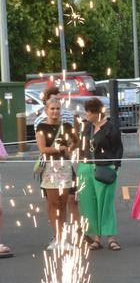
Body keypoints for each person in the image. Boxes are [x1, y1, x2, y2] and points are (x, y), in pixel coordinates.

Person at [76, 98, 124, 251]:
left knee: (105, 203)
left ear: (97, 113)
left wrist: (115, 167)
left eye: (89, 112)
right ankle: (96, 238)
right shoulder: (86, 126)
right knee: (88, 204)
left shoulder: (111, 128)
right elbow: (79, 145)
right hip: (85, 167)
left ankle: (111, 238)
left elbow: (118, 149)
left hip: (105, 167)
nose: (86, 115)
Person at [35, 96, 78, 248]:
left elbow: (75, 141)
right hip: (50, 167)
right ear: (46, 110)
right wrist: (58, 148)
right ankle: (58, 237)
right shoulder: (41, 127)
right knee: (53, 203)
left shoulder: (66, 125)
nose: (55, 111)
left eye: (57, 108)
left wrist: (69, 150)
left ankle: (63, 237)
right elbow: (42, 149)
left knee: (63, 203)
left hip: (65, 166)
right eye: (52, 109)